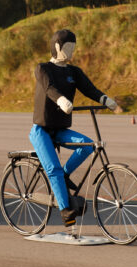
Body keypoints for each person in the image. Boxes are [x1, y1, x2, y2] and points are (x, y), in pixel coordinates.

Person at [29, 29, 121, 227]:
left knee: (87, 145)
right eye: (68, 47)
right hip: (41, 130)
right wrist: (61, 100)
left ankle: (64, 176)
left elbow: (89, 89)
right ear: (56, 47)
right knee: (53, 168)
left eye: (73, 48)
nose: (72, 52)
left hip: (60, 129)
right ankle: (65, 210)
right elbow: (49, 88)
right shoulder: (42, 68)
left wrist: (105, 99)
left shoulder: (73, 72)